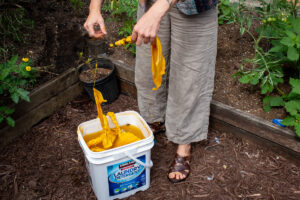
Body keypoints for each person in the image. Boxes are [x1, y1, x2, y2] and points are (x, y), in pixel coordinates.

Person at [84, 0, 218, 183]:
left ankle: (184, 141)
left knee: (189, 77)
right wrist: (94, 9)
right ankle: (156, 120)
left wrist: (158, 11)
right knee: (148, 70)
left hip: (193, 6)